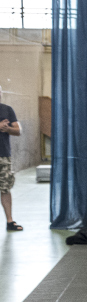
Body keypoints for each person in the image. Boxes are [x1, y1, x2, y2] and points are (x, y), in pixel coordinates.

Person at [0, 88, 21, 232]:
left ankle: (10, 221)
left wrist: (7, 129)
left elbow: (18, 130)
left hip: (3, 155)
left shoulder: (7, 110)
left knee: (5, 188)